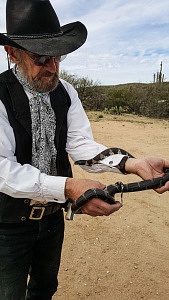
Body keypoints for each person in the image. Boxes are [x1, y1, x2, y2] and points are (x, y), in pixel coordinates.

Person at [0, 0, 169, 299]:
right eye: (41, 59)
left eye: (58, 57)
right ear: (11, 52)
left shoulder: (65, 91)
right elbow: (2, 168)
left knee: (44, 288)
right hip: (6, 224)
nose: (52, 68)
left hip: (52, 219)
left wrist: (131, 163)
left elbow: (79, 144)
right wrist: (68, 187)